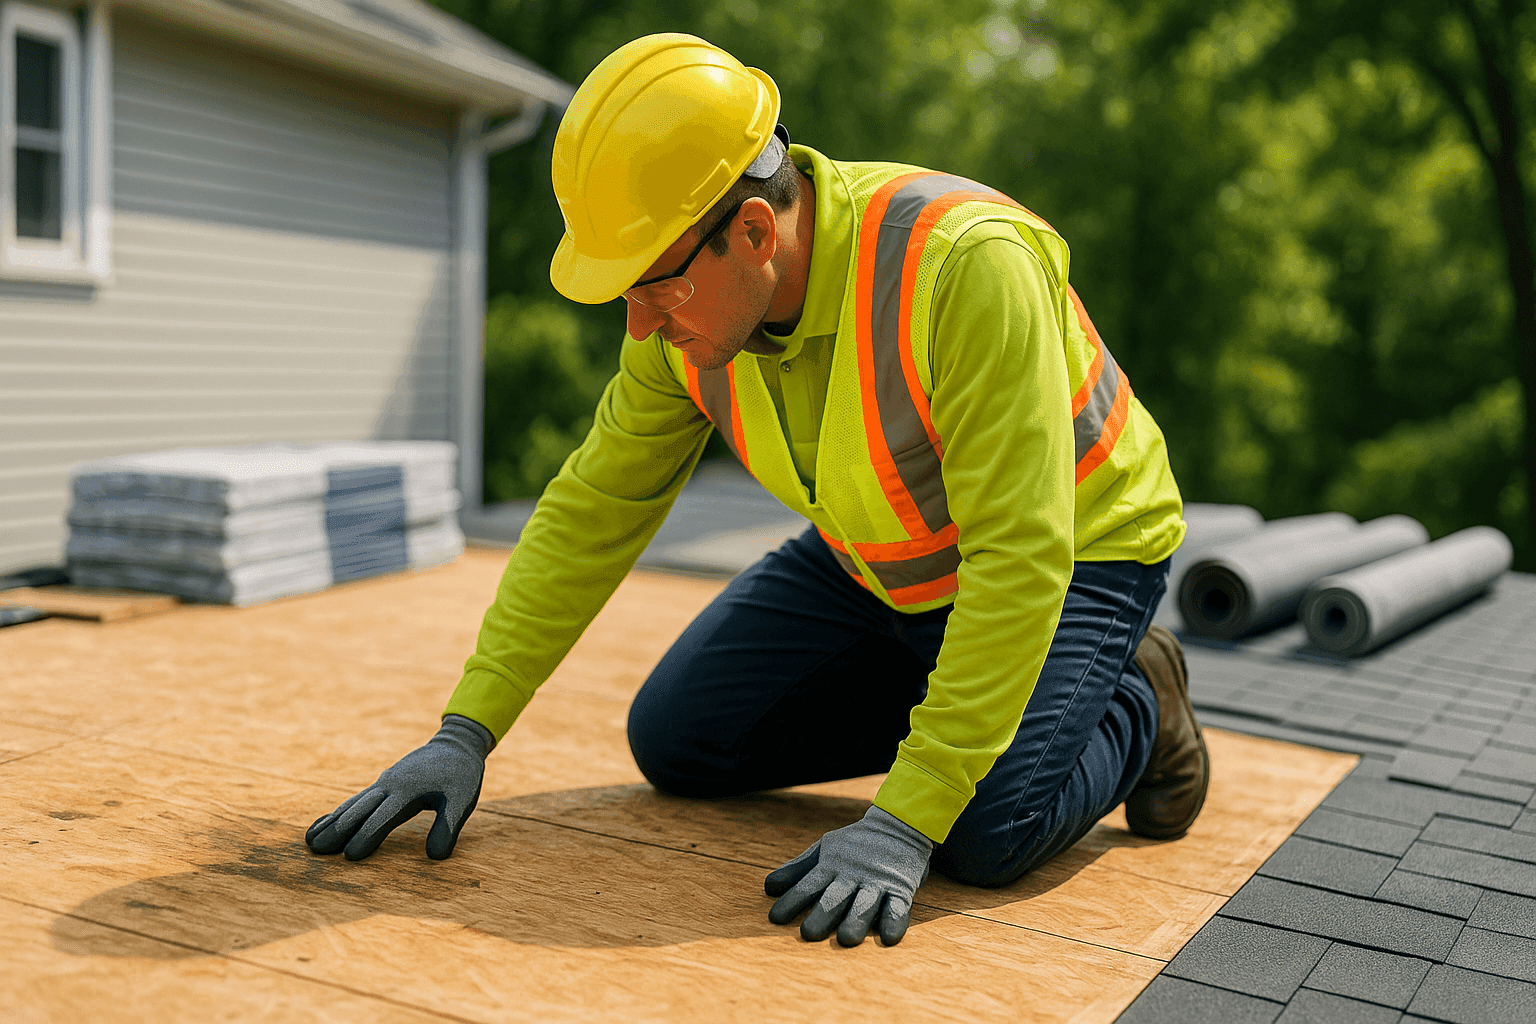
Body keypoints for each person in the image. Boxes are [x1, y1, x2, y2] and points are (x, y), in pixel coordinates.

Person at [305, 33, 1208, 949]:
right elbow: (592, 511)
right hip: (879, 558)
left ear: (754, 232)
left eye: (653, 286)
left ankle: (1139, 694)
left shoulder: (965, 267)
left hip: (1079, 554)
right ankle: (980, 700)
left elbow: (1022, 554)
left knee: (978, 833)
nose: (641, 322)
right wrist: (467, 730)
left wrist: (905, 817)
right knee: (679, 741)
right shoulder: (687, 321)